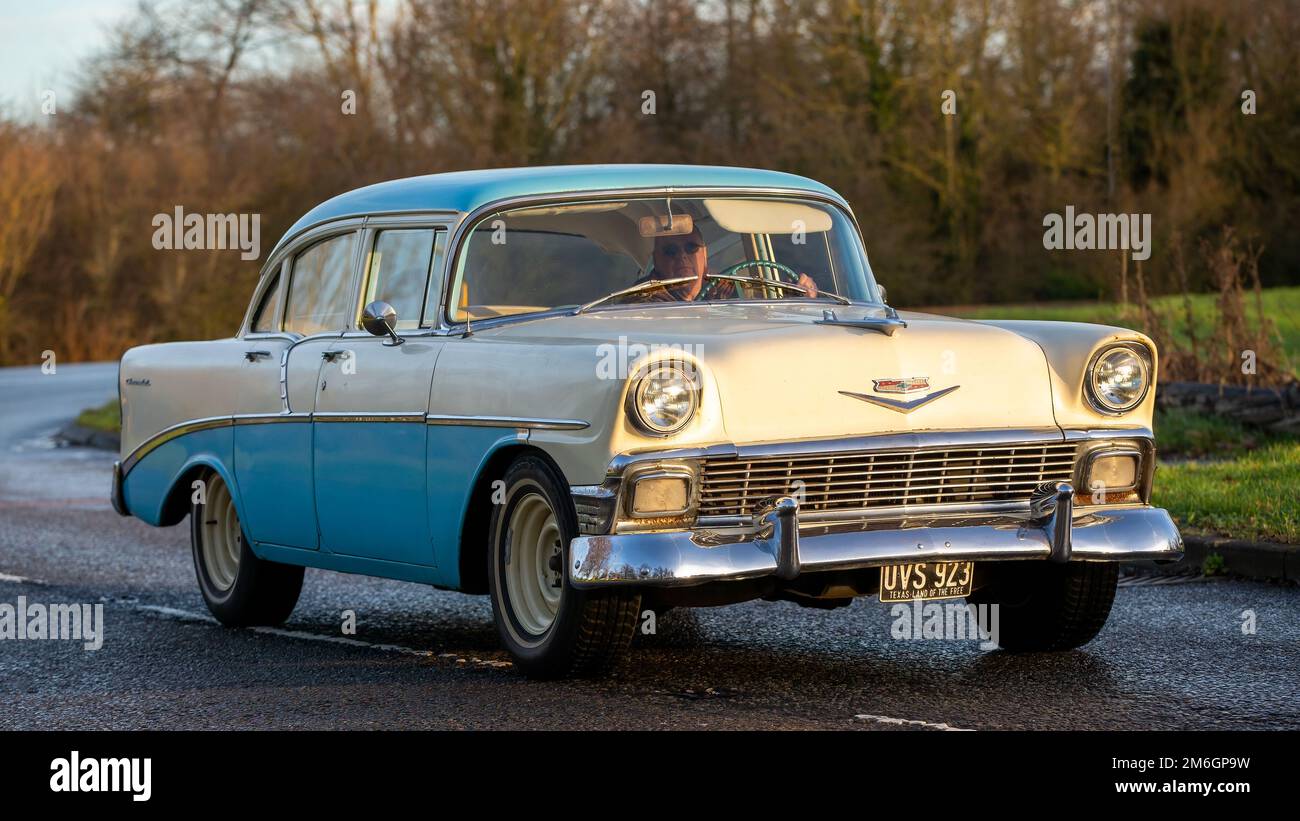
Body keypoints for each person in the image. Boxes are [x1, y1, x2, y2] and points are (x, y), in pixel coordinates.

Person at [635, 227, 818, 301]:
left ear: (704, 255)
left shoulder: (725, 287)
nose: (682, 256)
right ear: (656, 261)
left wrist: (799, 291)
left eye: (691, 248)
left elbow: (764, 297)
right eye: (670, 252)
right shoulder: (642, 301)